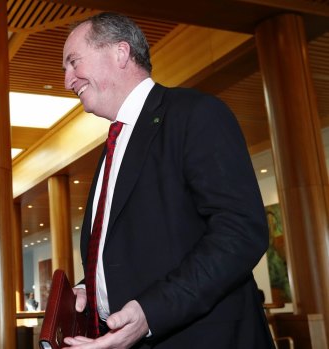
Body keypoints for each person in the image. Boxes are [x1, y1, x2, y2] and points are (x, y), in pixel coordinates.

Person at [61, 12, 274, 349]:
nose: (67, 80)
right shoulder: (113, 146)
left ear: (120, 53)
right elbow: (141, 244)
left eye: (73, 63)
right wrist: (91, 287)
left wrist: (151, 312)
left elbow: (241, 230)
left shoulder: (196, 113)